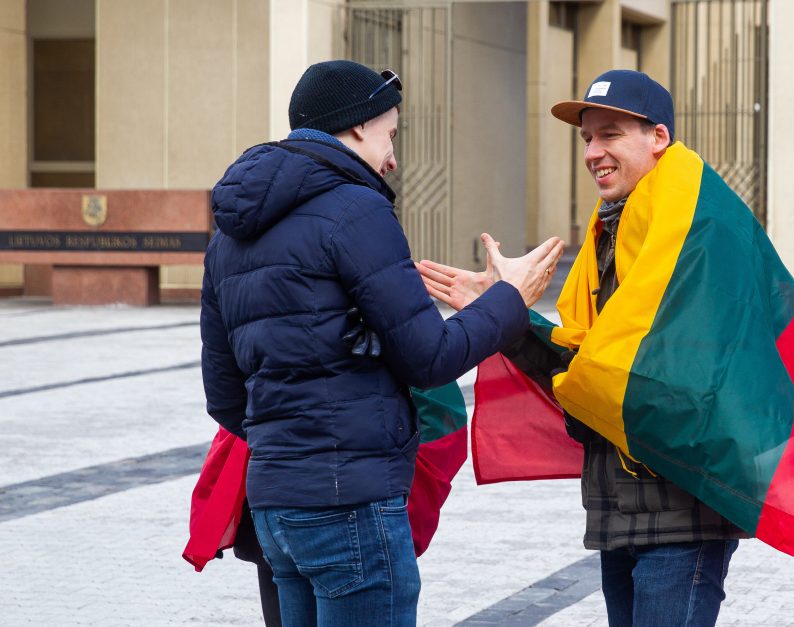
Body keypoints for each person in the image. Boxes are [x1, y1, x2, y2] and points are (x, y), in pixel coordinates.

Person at [199, 59, 564, 627]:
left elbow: (224, 397)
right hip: (351, 506)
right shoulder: (356, 209)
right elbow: (429, 358)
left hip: (275, 509)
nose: (392, 157)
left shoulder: (230, 231)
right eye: (389, 134)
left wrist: (296, 443)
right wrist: (509, 298)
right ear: (356, 127)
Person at [416, 70, 746, 626]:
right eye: (587, 138)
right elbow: (586, 370)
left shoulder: (699, 235)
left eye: (610, 134)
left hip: (683, 509)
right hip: (620, 505)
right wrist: (505, 310)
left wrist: (524, 328)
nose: (593, 152)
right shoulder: (613, 232)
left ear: (658, 137)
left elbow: (679, 383)